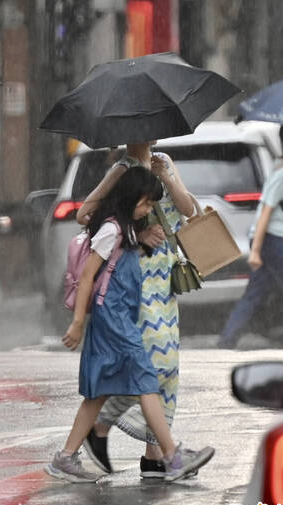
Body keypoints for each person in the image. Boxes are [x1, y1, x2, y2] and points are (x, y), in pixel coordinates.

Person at [46, 167, 214, 483]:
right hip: (114, 319)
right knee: (146, 381)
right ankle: (173, 457)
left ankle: (65, 458)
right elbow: (86, 277)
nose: (149, 211)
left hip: (118, 317)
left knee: (97, 394)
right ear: (130, 199)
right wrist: (77, 323)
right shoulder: (112, 230)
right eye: (146, 204)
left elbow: (186, 210)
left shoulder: (126, 230)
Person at [74, 141, 196, 479]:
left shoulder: (165, 162)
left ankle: (155, 455)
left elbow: (188, 210)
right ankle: (101, 425)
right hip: (135, 276)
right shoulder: (122, 169)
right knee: (151, 363)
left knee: (169, 365)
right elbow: (84, 214)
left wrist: (166, 179)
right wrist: (136, 232)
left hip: (166, 277)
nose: (149, 137)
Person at [217, 126, 283, 349]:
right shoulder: (281, 173)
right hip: (274, 240)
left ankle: (227, 340)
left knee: (256, 293)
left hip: (278, 239)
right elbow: (265, 211)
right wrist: (255, 251)